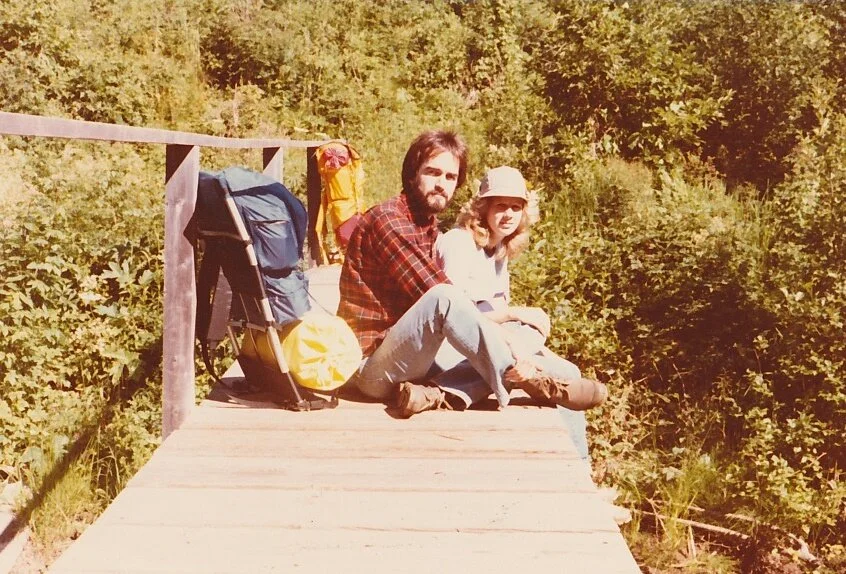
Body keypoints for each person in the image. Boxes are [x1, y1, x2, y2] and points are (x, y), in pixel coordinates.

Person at [337, 131, 606, 427]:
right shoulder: (390, 221)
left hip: (415, 356)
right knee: (445, 297)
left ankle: (440, 392)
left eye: (451, 177)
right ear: (412, 174)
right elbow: (447, 300)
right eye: (432, 172)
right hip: (372, 366)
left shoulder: (426, 224)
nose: (442, 184)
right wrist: (515, 350)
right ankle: (530, 380)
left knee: (568, 374)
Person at [431, 166, 601, 457]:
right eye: (500, 206)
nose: (508, 214)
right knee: (562, 375)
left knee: (563, 365)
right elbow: (453, 315)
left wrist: (524, 338)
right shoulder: (460, 242)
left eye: (515, 207)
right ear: (482, 207)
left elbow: (495, 313)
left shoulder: (498, 248)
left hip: (491, 345)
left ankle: (579, 461)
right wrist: (514, 316)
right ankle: (579, 461)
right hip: (453, 347)